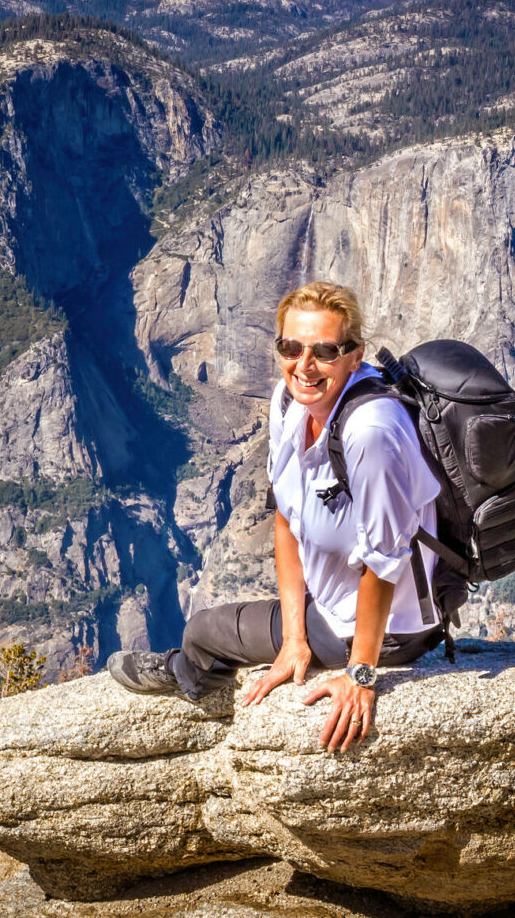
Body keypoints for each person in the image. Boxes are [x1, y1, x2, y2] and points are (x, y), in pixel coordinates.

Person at [107, 281, 442, 752]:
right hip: (331, 601)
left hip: (386, 628)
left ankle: (187, 677)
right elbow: (285, 517)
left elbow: (384, 561)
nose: (304, 365)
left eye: (325, 351)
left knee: (203, 630)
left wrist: (360, 675)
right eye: (291, 347)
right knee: (247, 621)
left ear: (355, 355)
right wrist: (292, 638)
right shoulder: (289, 403)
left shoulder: (371, 431)